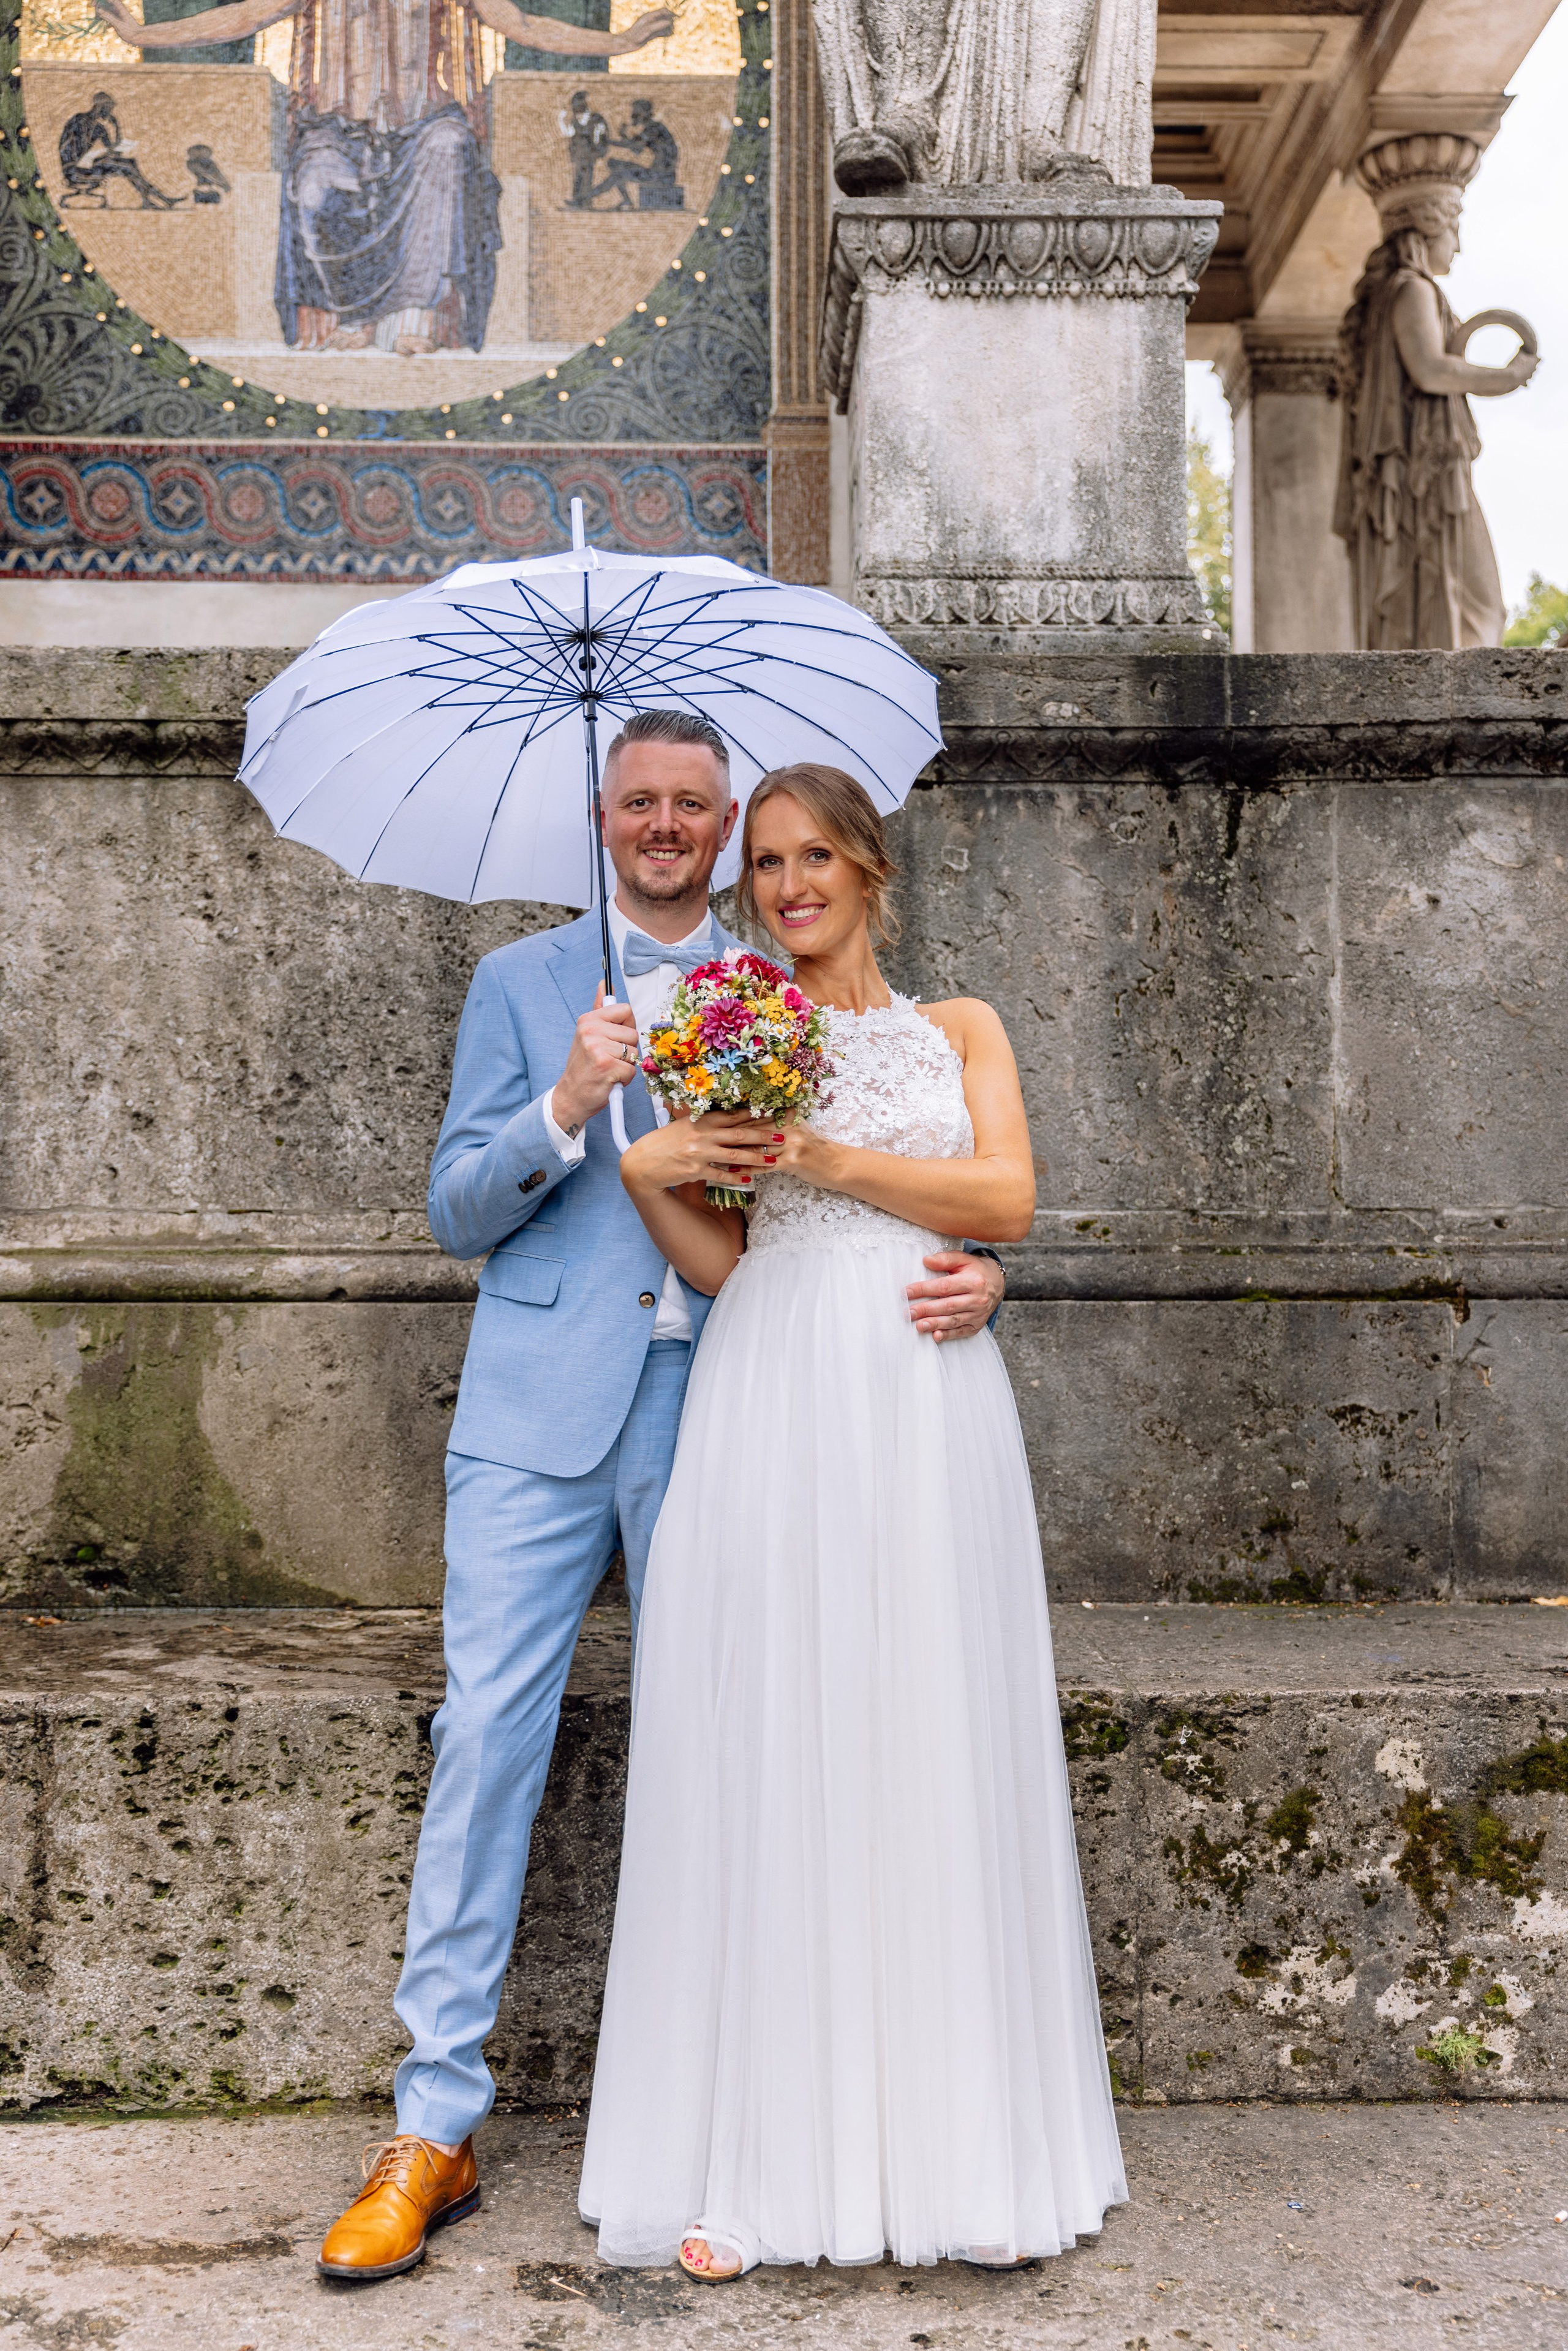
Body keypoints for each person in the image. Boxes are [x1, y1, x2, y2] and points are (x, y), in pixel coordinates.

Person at [313, 714, 1007, 2282]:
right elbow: (451, 1210)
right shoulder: (523, 986)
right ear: (603, 815)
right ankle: (432, 2124)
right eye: (643, 803)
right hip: (539, 1410)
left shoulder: (791, 989)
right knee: (486, 1727)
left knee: (745, 1746)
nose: (671, 828)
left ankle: (732, 2120)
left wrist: (982, 1279)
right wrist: (565, 1105)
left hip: (741, 1403)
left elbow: (895, 1180)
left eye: (700, 807)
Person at [579, 761, 1125, 2277]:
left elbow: (1001, 1199)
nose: (784, 882)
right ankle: (758, 2160)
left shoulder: (959, 1028)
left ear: (868, 868)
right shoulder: (726, 1031)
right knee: (774, 1732)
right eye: (764, 863)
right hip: (770, 1385)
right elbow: (722, 1264)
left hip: (918, 1398)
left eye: (812, 854)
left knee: (917, 1729)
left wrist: (833, 1162)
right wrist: (642, 1164)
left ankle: (945, 2146)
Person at [93, 1, 674, 352]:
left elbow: (522, 23)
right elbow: (241, 16)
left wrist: (619, 43)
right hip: (338, 128)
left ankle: (416, 317)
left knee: (449, 151)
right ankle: (352, 316)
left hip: (424, 124)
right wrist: (144, 37)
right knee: (313, 180)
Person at [58, 91, 179, 210]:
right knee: (127, 166)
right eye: (108, 109)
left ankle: (152, 199)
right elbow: (67, 147)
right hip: (74, 170)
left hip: (90, 165)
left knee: (130, 163)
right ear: (100, 107)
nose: (110, 112)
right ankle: (159, 200)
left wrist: (116, 127)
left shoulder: (100, 128)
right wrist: (81, 160)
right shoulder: (79, 119)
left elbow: (114, 151)